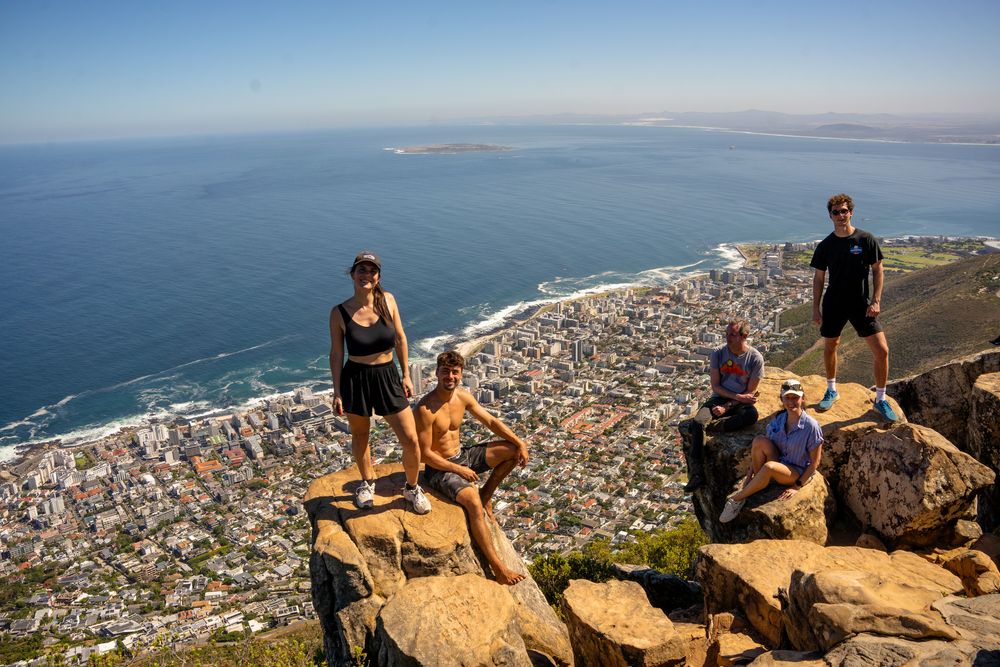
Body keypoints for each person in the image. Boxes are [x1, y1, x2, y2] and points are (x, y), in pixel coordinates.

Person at [413, 350, 529, 585]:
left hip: (462, 455)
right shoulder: (425, 409)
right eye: (445, 371)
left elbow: (491, 422)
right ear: (436, 373)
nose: (450, 377)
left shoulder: (462, 398)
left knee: (512, 453)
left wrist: (520, 442)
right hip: (440, 469)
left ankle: (487, 494)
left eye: (455, 372)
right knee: (473, 503)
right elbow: (425, 454)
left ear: (461, 374)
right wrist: (458, 471)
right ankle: (498, 567)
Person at [329, 250, 431, 514]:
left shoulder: (388, 300)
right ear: (352, 274)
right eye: (361, 270)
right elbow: (337, 353)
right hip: (356, 378)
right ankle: (366, 483)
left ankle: (411, 488)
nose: (366, 275)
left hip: (387, 375)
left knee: (410, 439)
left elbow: (400, 338)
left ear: (378, 276)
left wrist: (406, 374)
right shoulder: (339, 313)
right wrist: (337, 391)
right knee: (361, 435)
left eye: (371, 270)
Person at [811, 193, 898, 421]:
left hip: (861, 303)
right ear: (830, 216)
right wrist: (815, 307)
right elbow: (819, 279)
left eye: (844, 211)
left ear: (851, 212)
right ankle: (832, 389)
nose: (840, 215)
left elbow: (878, 269)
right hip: (834, 303)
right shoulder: (826, 246)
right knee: (831, 346)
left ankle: (880, 399)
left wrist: (876, 300)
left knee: (882, 351)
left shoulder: (865, 239)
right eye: (836, 212)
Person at [720, 379, 824, 523]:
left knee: (769, 467)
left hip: (795, 471)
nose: (791, 402)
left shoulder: (811, 427)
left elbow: (815, 462)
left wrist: (797, 486)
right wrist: (749, 478)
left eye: (795, 398)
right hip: (779, 461)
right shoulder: (779, 419)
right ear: (782, 399)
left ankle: (737, 499)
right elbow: (762, 449)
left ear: (803, 398)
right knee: (759, 440)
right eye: (787, 398)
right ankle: (757, 483)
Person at [683, 319, 764, 492]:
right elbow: (716, 386)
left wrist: (728, 407)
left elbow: (750, 392)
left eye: (732, 335)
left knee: (751, 415)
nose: (728, 338)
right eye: (727, 334)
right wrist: (729, 401)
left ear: (744, 336)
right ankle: (697, 471)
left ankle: (715, 426)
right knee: (698, 422)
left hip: (739, 401)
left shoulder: (755, 358)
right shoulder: (718, 353)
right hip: (721, 396)